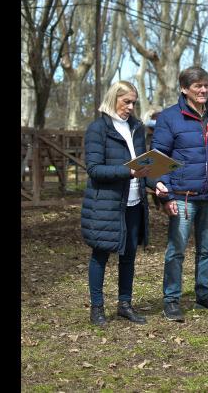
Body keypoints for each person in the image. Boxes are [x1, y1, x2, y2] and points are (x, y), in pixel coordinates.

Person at [152, 66, 208, 322]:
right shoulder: (169, 117)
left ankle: (204, 295)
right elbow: (159, 157)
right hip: (182, 193)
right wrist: (163, 191)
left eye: (206, 85)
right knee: (176, 250)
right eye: (197, 86)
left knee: (207, 249)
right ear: (184, 89)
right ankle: (171, 299)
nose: (203, 90)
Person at [81, 81, 155, 327]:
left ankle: (125, 304)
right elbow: (94, 169)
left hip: (134, 202)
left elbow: (143, 165)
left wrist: (155, 183)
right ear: (114, 99)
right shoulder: (98, 129)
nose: (131, 107)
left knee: (129, 255)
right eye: (126, 102)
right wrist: (129, 173)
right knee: (101, 254)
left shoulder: (136, 127)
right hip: (107, 203)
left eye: (133, 102)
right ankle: (97, 308)